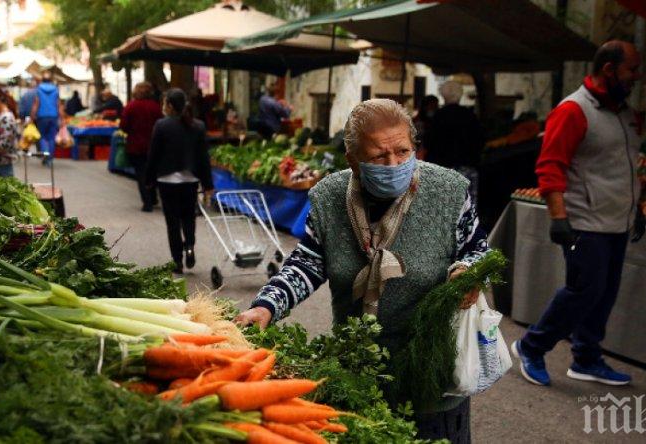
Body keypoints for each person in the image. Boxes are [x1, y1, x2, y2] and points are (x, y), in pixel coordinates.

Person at [236, 99, 491, 442]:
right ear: (352, 162)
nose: (394, 164)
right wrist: (266, 305)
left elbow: (477, 251)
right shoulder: (329, 198)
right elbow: (308, 262)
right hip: (357, 368)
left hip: (432, 370)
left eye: (403, 151)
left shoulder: (449, 192)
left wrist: (467, 272)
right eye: (379, 157)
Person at [511, 41, 645, 388]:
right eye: (632, 69)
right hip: (585, 219)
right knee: (584, 290)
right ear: (609, 69)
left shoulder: (624, 113)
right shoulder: (573, 110)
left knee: (605, 293)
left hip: (618, 220)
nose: (637, 77)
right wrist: (558, 218)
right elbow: (550, 165)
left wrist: (638, 208)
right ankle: (531, 346)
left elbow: (625, 168)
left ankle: (586, 358)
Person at [145, 89, 214, 274]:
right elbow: (203, 158)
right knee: (189, 217)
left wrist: (149, 179)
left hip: (166, 180)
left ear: (169, 105)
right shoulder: (197, 126)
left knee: (172, 222)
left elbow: (153, 155)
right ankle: (189, 246)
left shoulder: (161, 125)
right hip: (190, 180)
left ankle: (177, 261)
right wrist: (208, 184)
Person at [424, 81, 484, 202]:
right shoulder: (470, 115)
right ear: (460, 95)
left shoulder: (437, 117)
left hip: (441, 170)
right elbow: (479, 141)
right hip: (467, 169)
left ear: (443, 96)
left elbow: (429, 143)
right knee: (466, 209)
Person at [120, 82, 163, 212]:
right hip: (154, 146)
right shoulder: (156, 107)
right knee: (153, 172)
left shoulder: (131, 106)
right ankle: (154, 197)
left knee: (141, 174)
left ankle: (147, 203)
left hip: (135, 146)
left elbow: (123, 126)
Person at [31, 71, 61, 166]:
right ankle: (50, 158)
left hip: (42, 116)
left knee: (42, 137)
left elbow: (36, 103)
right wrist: (61, 117)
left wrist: (32, 116)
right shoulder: (56, 89)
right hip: (53, 116)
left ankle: (45, 155)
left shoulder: (38, 89)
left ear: (42, 80)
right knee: (51, 138)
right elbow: (58, 104)